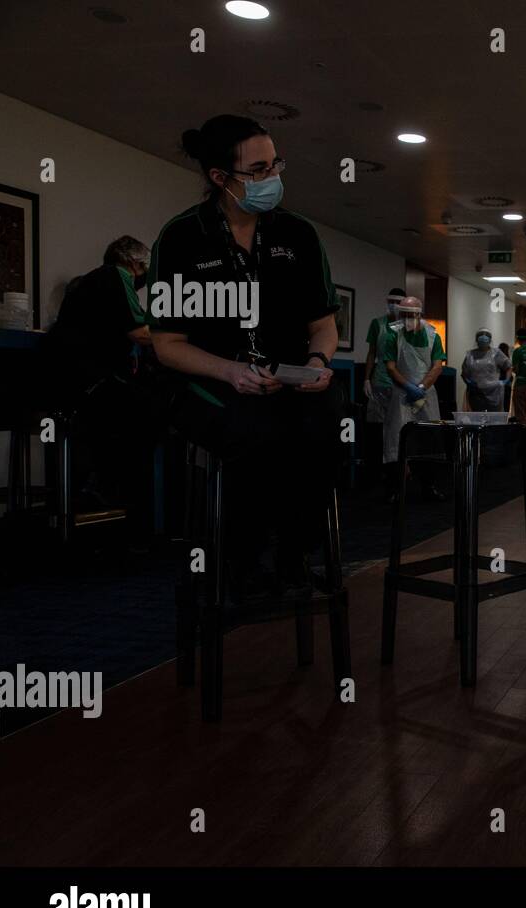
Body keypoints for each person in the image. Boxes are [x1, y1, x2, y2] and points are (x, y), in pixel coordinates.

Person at [148, 114, 345, 601]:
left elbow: (323, 327)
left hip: (286, 377)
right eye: (257, 171)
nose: (272, 178)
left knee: (327, 423)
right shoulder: (182, 239)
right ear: (220, 178)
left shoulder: (297, 235)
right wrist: (231, 371)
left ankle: (294, 556)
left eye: (275, 164)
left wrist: (317, 365)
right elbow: (167, 345)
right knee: (253, 431)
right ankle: (241, 561)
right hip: (209, 380)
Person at [42, 236, 165, 542]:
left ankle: (105, 488)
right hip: (88, 386)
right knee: (156, 410)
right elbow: (140, 332)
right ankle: (138, 516)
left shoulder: (88, 284)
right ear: (135, 263)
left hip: (69, 386)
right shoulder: (115, 275)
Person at [380, 296, 447, 502]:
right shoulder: (393, 334)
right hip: (402, 393)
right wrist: (408, 386)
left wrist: (421, 387)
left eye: (412, 315)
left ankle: (429, 485)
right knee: (397, 439)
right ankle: (397, 489)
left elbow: (437, 365)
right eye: (405, 315)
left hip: (426, 394)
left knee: (430, 437)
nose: (408, 319)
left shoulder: (433, 335)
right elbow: (391, 366)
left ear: (420, 314)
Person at [362, 288, 404, 483]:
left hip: (401, 383)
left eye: (398, 301)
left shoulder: (408, 326)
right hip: (380, 381)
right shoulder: (377, 324)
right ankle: (378, 473)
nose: (393, 305)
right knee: (378, 430)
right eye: (391, 301)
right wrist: (366, 378)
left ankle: (398, 473)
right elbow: (371, 353)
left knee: (397, 429)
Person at [461, 328, 511, 411]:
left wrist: (505, 380)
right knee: (478, 417)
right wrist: (468, 382)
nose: (483, 339)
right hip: (476, 392)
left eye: (486, 336)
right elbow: (464, 373)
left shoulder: (496, 353)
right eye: (481, 336)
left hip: (494, 392)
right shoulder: (470, 355)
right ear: (476, 340)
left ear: (490, 340)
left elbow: (508, 366)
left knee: (493, 419)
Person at [509, 327, 526, 422]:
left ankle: (523, 434)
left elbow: (516, 370)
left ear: (517, 338)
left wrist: (512, 369)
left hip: (520, 384)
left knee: (520, 412)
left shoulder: (517, 351)